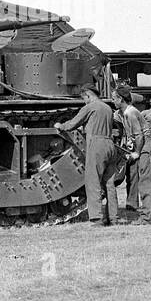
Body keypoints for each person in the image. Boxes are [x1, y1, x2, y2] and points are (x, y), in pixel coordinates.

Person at [54, 87, 121, 225]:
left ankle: (97, 218)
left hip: (97, 145)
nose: (84, 101)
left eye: (84, 98)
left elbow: (72, 124)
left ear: (88, 96)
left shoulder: (90, 107)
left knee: (93, 182)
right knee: (109, 184)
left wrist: (61, 125)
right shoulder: (107, 108)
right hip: (110, 144)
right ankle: (113, 218)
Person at [115, 90, 147, 212]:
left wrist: (137, 153)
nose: (112, 101)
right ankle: (131, 204)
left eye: (114, 98)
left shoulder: (131, 112)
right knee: (130, 175)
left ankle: (135, 205)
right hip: (131, 145)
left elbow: (139, 136)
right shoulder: (121, 113)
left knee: (135, 176)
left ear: (121, 99)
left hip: (143, 145)